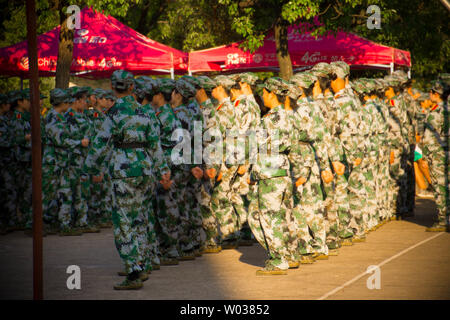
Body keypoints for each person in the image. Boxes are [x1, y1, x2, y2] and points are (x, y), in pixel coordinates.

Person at [84, 70, 171, 290]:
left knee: (123, 222)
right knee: (140, 218)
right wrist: (163, 169)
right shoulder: (146, 112)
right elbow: (155, 144)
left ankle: (133, 271)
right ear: (132, 87)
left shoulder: (113, 114)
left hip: (123, 172)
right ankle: (142, 264)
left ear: (114, 89)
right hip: (145, 170)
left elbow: (100, 144)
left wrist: (90, 168)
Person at [420, 79, 449, 232]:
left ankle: (443, 219)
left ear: (436, 94)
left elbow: (429, 138)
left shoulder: (436, 112)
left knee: (440, 186)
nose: (429, 94)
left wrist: (424, 156)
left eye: (431, 92)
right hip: (446, 152)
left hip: (437, 154)